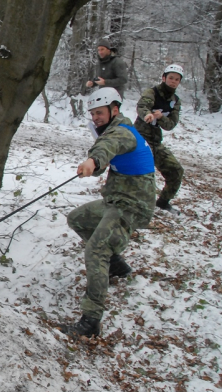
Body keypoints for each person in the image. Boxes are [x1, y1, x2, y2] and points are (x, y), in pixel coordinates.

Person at [61, 87, 155, 338]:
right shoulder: (113, 130)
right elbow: (105, 148)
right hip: (116, 200)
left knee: (96, 249)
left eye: (100, 113)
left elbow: (108, 147)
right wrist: (95, 163)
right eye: (92, 114)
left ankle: (91, 321)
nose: (96, 118)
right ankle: (116, 265)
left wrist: (92, 161)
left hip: (132, 205)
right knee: (78, 219)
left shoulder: (122, 132)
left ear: (115, 110)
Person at [134, 64, 184, 214]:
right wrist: (147, 115)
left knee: (176, 170)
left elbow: (171, 125)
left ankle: (163, 202)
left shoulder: (175, 100)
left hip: (155, 142)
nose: (173, 81)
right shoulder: (152, 92)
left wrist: (161, 117)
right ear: (164, 78)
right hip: (140, 139)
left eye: (176, 79)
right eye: (170, 78)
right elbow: (142, 106)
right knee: (141, 174)